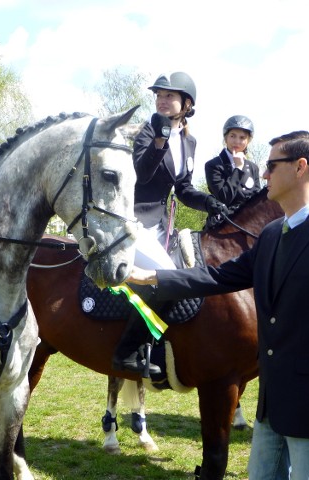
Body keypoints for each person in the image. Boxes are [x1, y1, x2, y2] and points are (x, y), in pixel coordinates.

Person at [127, 131, 309, 479]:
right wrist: (156, 279)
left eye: (271, 165)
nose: (263, 174)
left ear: (299, 168)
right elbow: (220, 278)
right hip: (270, 410)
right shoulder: (271, 234)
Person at [112, 72, 224, 375]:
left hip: (162, 225)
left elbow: (184, 189)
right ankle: (127, 351)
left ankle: (160, 345)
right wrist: (160, 139)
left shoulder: (189, 141)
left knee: (189, 275)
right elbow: (141, 175)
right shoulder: (148, 132)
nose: (162, 100)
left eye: (169, 96)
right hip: (133, 219)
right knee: (169, 278)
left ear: (187, 104)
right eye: (159, 95)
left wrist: (208, 202)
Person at [205, 115, 261, 217]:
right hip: (223, 223)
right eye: (232, 136)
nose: (237, 141)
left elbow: (257, 201)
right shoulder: (213, 165)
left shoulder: (253, 168)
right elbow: (224, 198)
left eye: (242, 137)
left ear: (248, 141)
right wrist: (238, 168)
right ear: (225, 138)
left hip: (249, 223)